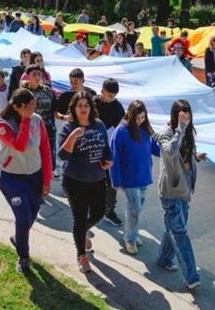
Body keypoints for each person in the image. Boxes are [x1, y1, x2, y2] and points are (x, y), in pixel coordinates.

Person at [0, 88, 52, 273]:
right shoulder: (2, 125)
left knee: (33, 212)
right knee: (23, 217)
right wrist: (26, 119)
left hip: (33, 176)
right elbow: (19, 145)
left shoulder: (37, 120)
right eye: (29, 106)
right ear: (17, 107)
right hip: (11, 178)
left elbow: (44, 149)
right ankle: (23, 255)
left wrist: (46, 179)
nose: (33, 109)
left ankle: (18, 238)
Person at [57, 91, 113, 273]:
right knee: (79, 218)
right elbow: (62, 155)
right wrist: (73, 136)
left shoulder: (99, 125)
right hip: (75, 181)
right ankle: (81, 255)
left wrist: (109, 161)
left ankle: (80, 233)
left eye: (86, 105)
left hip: (97, 178)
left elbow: (107, 148)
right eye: (79, 105)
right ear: (73, 107)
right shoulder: (67, 127)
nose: (83, 108)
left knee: (99, 212)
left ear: (91, 107)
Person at [156, 99, 207, 290]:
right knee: (180, 232)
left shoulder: (187, 131)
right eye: (182, 116)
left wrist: (195, 158)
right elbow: (170, 152)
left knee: (174, 226)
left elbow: (183, 154)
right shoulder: (165, 132)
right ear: (175, 116)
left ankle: (163, 258)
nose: (186, 119)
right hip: (171, 190)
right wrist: (181, 128)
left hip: (185, 186)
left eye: (188, 115)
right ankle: (191, 276)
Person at [110, 100, 159, 255]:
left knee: (137, 208)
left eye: (142, 117)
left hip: (144, 176)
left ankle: (132, 233)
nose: (139, 121)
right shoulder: (121, 131)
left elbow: (155, 149)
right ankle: (130, 239)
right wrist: (115, 180)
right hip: (129, 178)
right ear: (130, 114)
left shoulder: (145, 130)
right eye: (137, 118)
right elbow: (114, 157)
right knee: (135, 208)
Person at [96, 79, 126, 228]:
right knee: (94, 179)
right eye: (109, 95)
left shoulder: (118, 107)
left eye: (114, 96)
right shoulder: (93, 103)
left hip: (110, 148)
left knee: (111, 180)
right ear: (102, 92)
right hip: (94, 146)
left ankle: (109, 210)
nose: (112, 98)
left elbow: (122, 122)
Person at [21, 64, 59, 178]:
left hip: (47, 129)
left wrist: (64, 117)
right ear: (28, 77)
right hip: (30, 130)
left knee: (46, 157)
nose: (38, 77)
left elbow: (54, 110)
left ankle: (45, 179)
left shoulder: (48, 90)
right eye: (34, 74)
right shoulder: (24, 92)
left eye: (39, 74)